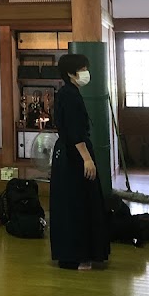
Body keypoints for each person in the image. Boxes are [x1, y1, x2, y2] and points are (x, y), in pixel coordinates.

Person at [49, 52, 110, 271]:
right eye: (83, 69)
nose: (86, 73)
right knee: (77, 204)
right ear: (71, 73)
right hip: (74, 156)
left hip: (68, 154)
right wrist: (87, 159)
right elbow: (75, 132)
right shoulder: (70, 95)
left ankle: (75, 255)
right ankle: (75, 256)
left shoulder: (68, 92)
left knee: (74, 203)